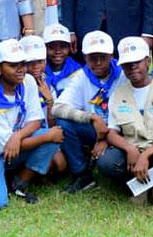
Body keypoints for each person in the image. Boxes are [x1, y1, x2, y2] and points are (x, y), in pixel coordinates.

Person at [0, 39, 63, 209]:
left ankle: (18, 184)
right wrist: (46, 135)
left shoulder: (28, 81)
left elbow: (36, 119)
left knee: (53, 136)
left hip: (14, 143)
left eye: (22, 63)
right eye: (12, 65)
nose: (21, 69)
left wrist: (17, 135)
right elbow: (6, 147)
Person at [97, 36, 153, 212]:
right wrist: (130, 149)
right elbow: (112, 131)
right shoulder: (117, 94)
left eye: (137, 62)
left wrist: (145, 155)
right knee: (106, 162)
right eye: (127, 64)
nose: (132, 67)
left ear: (148, 61)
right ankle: (140, 186)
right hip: (135, 149)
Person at [52, 30, 127, 194]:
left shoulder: (124, 75)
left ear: (112, 55)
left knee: (112, 165)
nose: (98, 63)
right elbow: (57, 108)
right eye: (93, 58)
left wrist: (107, 137)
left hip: (123, 132)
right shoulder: (81, 77)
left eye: (103, 57)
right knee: (63, 124)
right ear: (85, 57)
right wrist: (91, 117)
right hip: (95, 129)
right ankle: (82, 174)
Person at [43, 23, 81, 97]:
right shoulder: (38, 72)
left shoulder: (78, 73)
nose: (57, 51)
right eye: (52, 47)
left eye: (63, 47)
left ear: (70, 48)